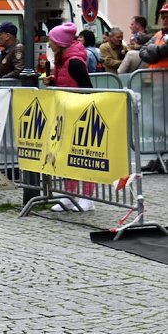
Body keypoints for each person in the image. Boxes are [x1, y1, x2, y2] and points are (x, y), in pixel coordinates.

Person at [42, 22, 95, 213]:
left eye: (52, 40)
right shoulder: (64, 60)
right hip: (65, 113)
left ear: (60, 43)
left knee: (81, 156)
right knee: (65, 156)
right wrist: (55, 81)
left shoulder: (73, 62)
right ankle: (69, 196)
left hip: (76, 113)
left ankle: (88, 198)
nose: (49, 43)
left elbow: (87, 88)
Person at [139, 4, 168, 69]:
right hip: (154, 77)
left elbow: (164, 51)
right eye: (163, 17)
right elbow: (142, 51)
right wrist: (155, 57)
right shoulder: (159, 34)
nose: (165, 20)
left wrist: (152, 49)